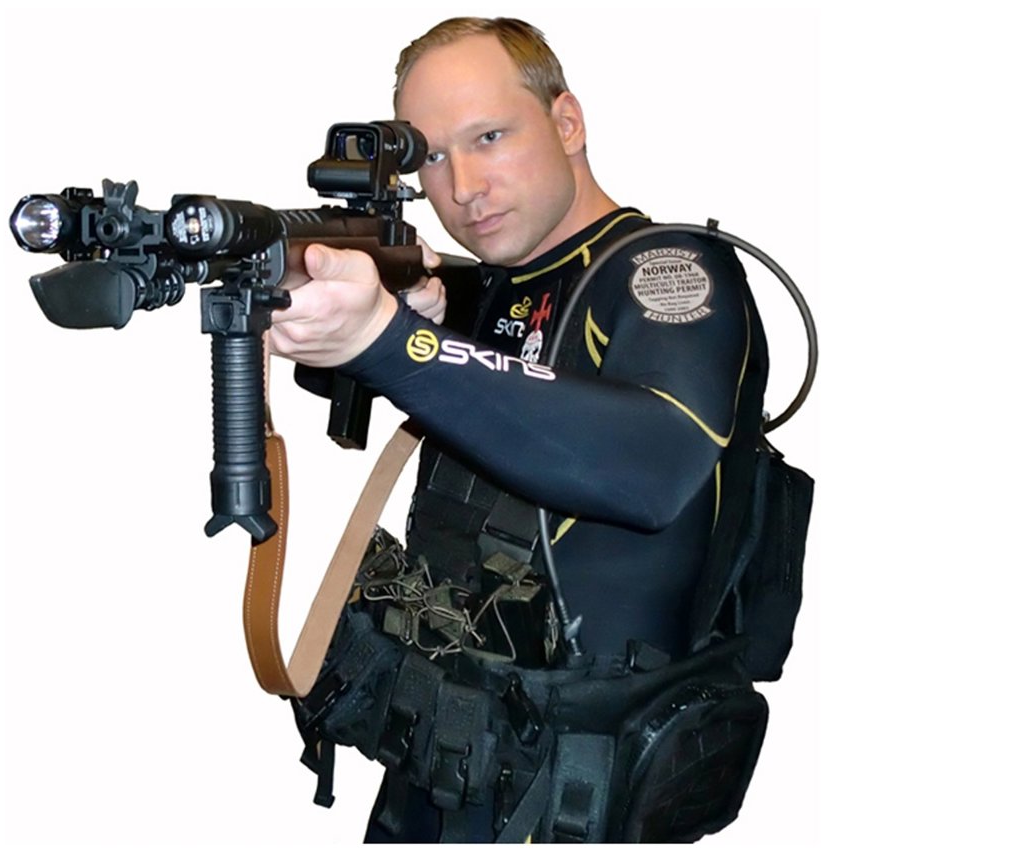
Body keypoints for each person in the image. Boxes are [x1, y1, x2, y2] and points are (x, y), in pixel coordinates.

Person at [270, 17, 776, 844]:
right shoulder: (485, 291)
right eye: (432, 156)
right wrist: (370, 316)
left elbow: (652, 469)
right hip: (447, 756)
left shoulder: (670, 272)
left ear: (566, 122)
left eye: (490, 137)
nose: (464, 185)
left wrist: (397, 344)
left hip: (579, 791)